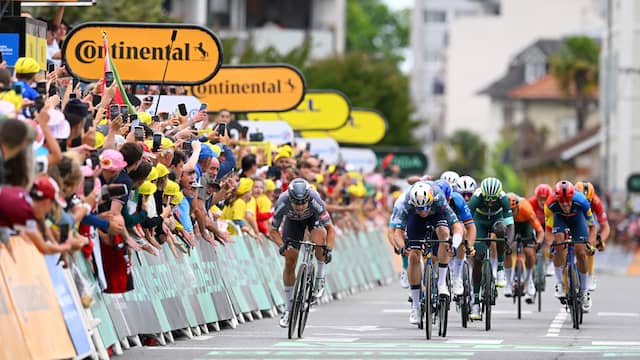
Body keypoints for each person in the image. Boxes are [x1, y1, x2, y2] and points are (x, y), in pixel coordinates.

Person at [388, 181, 462, 325]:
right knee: (414, 256)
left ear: (431, 201)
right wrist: (402, 247)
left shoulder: (438, 198)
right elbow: (398, 232)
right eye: (419, 208)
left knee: (444, 233)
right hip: (414, 221)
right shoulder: (407, 203)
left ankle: (442, 283)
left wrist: (455, 244)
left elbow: (457, 226)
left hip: (437, 216)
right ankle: (415, 306)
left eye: (425, 208)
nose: (423, 212)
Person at [270, 178, 335, 328]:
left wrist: (329, 248)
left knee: (319, 239)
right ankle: (288, 308)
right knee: (290, 260)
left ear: (308, 199)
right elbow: (273, 230)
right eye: (296, 204)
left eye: (302, 203)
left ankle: (320, 276)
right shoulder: (282, 202)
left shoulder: (315, 200)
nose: (299, 207)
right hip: (292, 224)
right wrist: (281, 246)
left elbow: (330, 229)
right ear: (290, 199)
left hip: (313, 219)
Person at [545, 180, 597, 312]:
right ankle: (560, 283)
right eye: (561, 201)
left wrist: (590, 244)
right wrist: (552, 244)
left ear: (572, 197)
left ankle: (584, 291)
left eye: (568, 200)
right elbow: (548, 230)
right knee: (558, 245)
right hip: (559, 219)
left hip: (577, 220)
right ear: (557, 199)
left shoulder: (582, 202)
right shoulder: (550, 204)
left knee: (581, 253)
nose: (565, 204)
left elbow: (592, 227)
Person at [467, 177, 515, 320]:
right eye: (487, 199)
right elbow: (467, 222)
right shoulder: (476, 198)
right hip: (479, 222)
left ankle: (500, 269)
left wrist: (508, 243)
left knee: (501, 230)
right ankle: (475, 302)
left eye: (493, 200)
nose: (489, 202)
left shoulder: (504, 199)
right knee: (478, 258)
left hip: (496, 220)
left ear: (498, 196)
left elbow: (511, 225)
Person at [434, 179, 476, 296]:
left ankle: (457, 276)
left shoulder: (457, 199)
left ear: (449, 197)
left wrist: (470, 246)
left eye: (446, 200)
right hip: (436, 223)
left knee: (462, 230)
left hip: (453, 223)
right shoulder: (430, 198)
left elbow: (471, 226)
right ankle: (433, 279)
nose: (443, 203)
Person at [503, 192, 544, 303]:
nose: (512, 213)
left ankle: (529, 278)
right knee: (506, 249)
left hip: (525, 225)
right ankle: (508, 282)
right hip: (510, 225)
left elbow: (540, 230)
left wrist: (539, 242)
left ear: (518, 206)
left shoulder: (526, 208)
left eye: (514, 210)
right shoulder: (503, 212)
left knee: (529, 252)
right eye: (509, 211)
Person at [575, 181, 609, 291]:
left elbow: (605, 227)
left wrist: (600, 240)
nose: (585, 203)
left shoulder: (596, 201)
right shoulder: (570, 199)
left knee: (590, 245)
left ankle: (590, 275)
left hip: (589, 224)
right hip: (573, 220)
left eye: (588, 201)